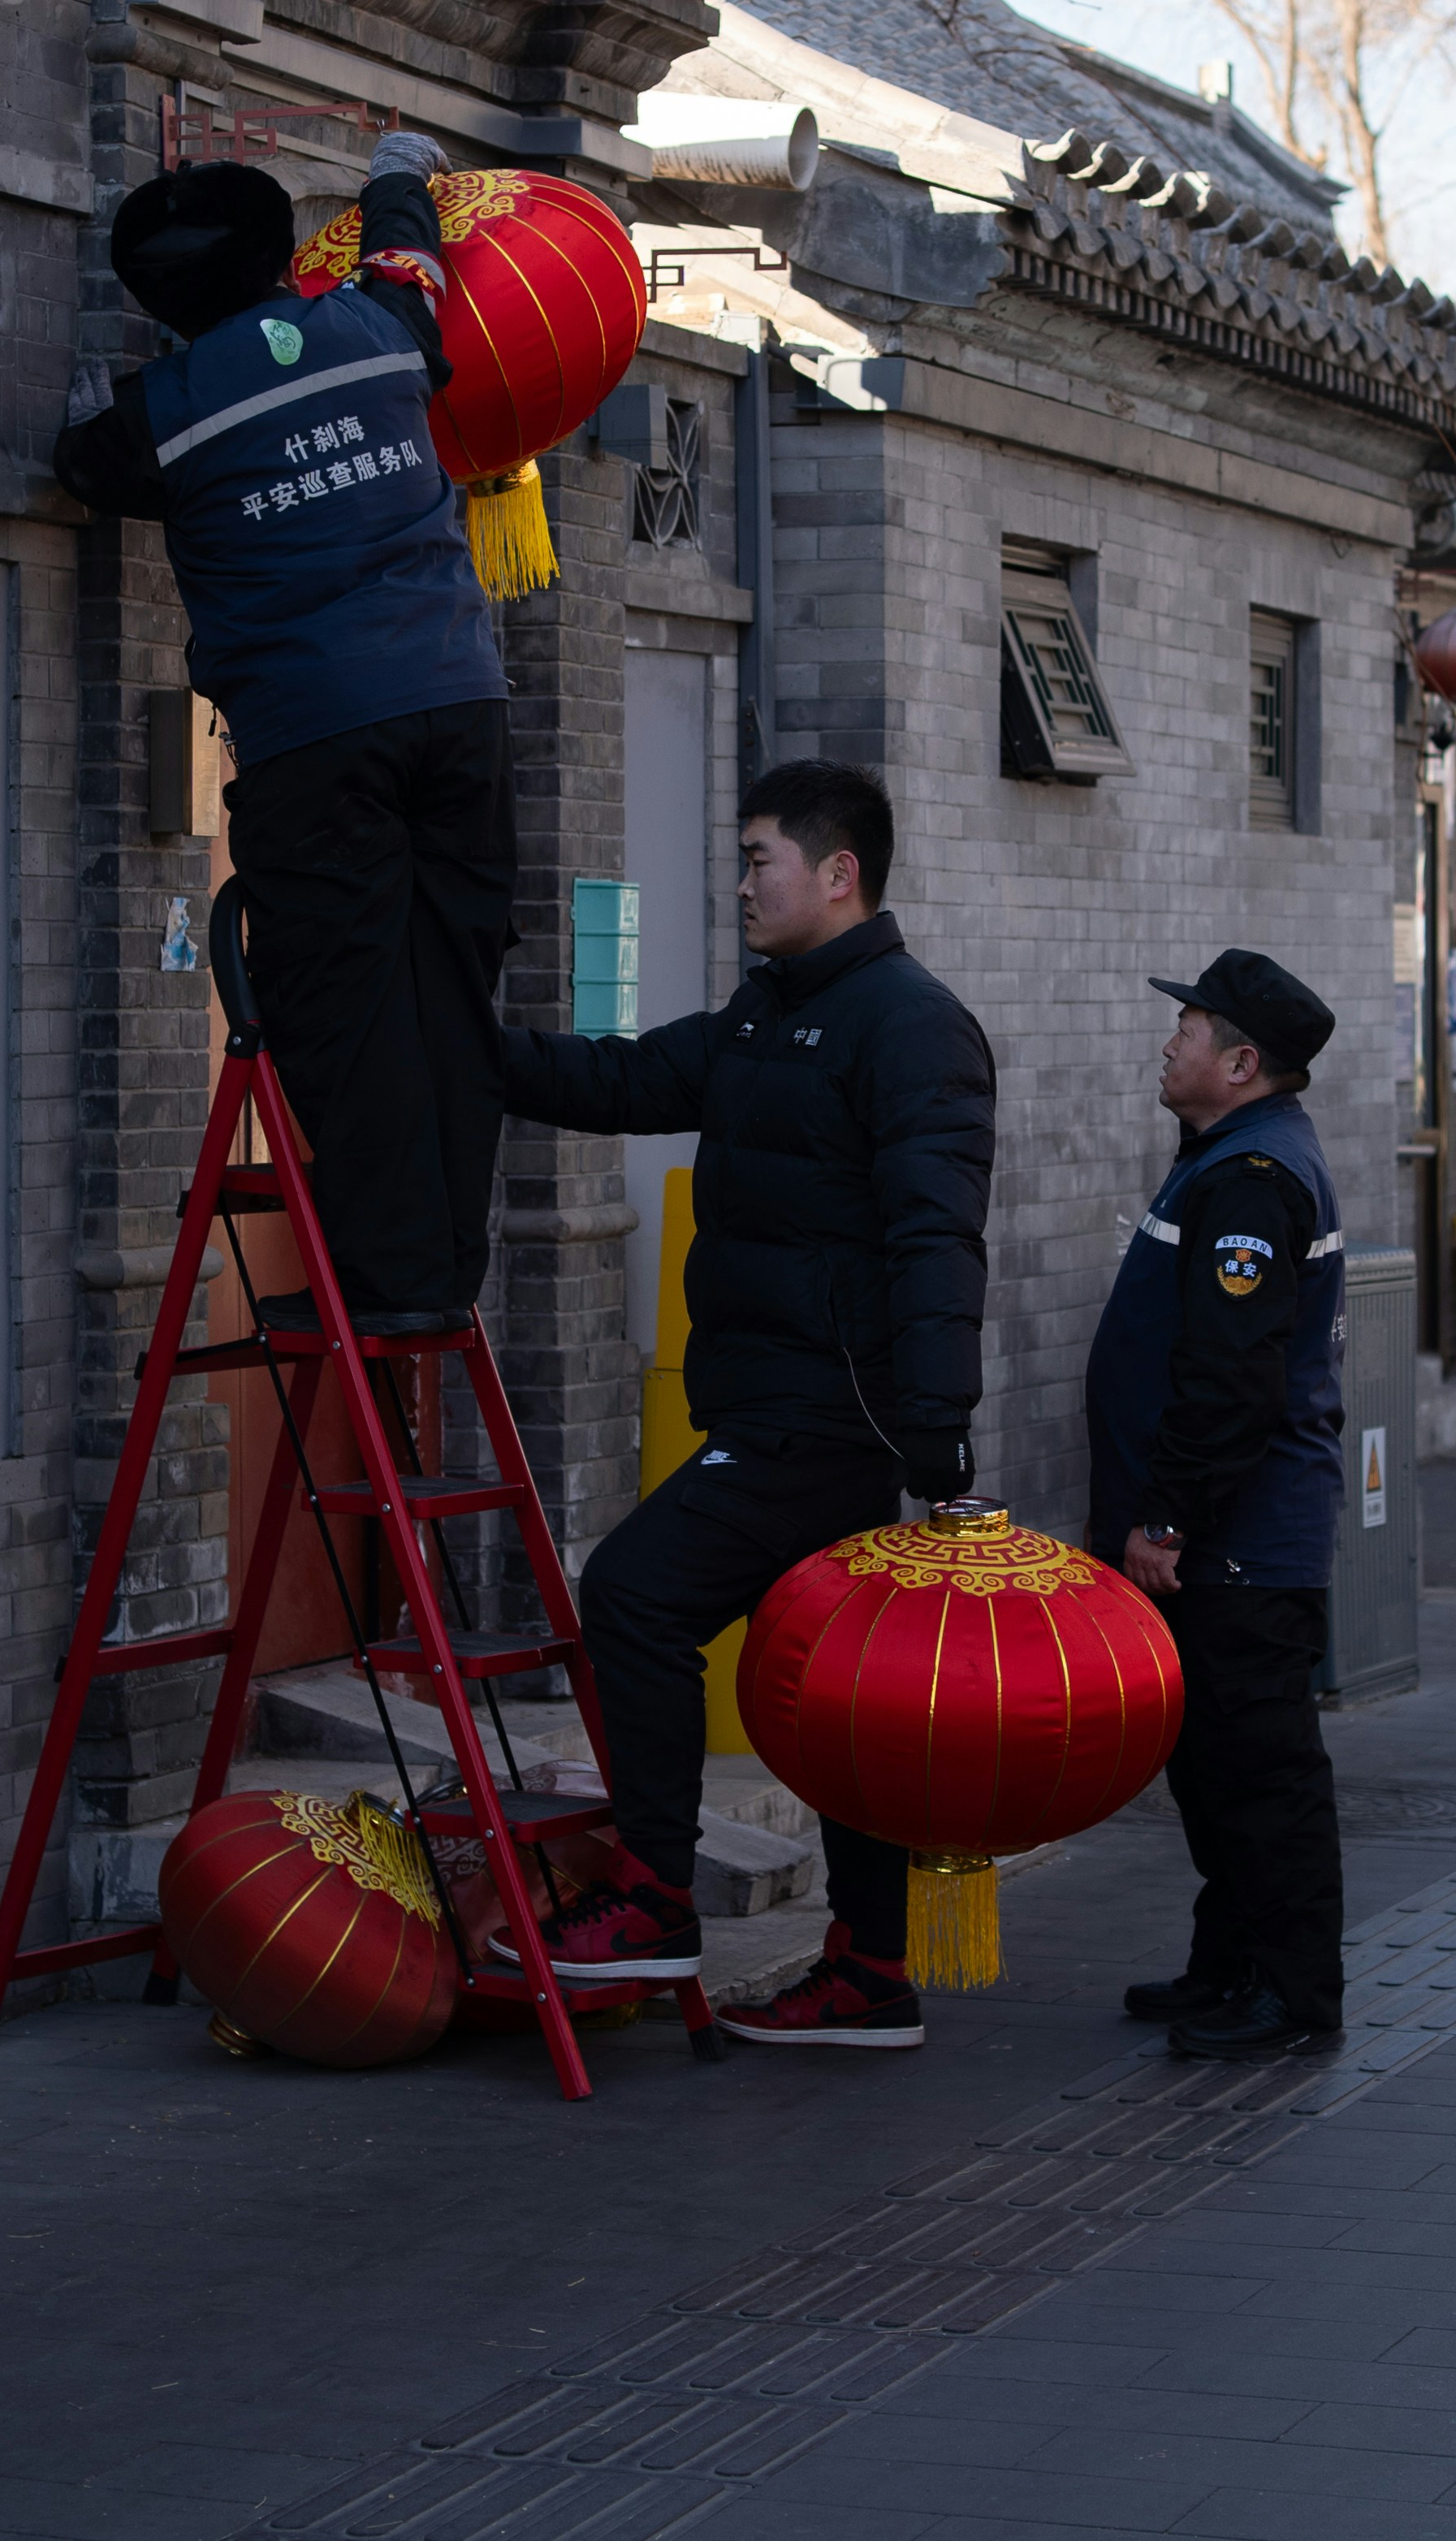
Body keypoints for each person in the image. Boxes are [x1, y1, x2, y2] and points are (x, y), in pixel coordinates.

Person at [495, 760, 994, 2038]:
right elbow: (616, 1083)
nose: (739, 882)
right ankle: (871, 1970)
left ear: (838, 873)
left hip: (828, 1420)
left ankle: (657, 1899)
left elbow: (935, 1239)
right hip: (770, 1402)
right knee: (835, 1689)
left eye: (758, 856)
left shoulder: (910, 1025)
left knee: (634, 1593)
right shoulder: (767, 1014)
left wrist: (938, 1433)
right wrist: (464, 1049)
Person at [54, 141, 514, 1345]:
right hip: (461, 703)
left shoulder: (166, 411)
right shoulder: (374, 326)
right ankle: (450, 1268)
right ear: (277, 259)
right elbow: (413, 259)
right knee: (451, 985)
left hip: (318, 736)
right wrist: (393, 175)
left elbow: (77, 463)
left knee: (342, 1002)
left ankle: (392, 1281)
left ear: (160, 305)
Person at [1087, 949, 1348, 2062]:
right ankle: (1228, 1964)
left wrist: (1167, 1521)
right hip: (1222, 1546)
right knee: (1211, 1770)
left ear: (1240, 1063)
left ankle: (1290, 1993)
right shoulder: (1232, 1156)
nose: (1168, 1041)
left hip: (1237, 1551)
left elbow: (1231, 1381)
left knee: (1257, 1775)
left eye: (1187, 1027)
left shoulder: (1251, 1181)